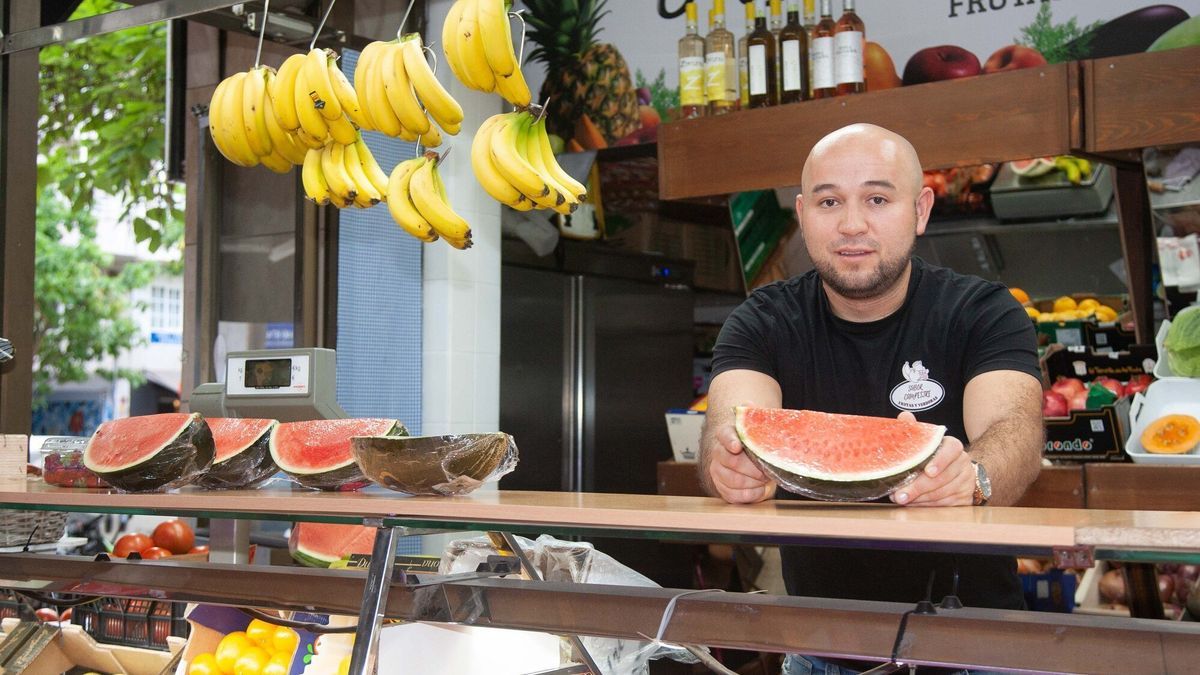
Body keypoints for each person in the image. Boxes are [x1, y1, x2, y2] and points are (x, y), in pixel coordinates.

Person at [699, 123, 1044, 675]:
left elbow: (1015, 431)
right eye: (829, 201)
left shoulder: (984, 311)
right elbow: (732, 423)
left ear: (920, 210)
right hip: (819, 651)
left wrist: (974, 476)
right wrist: (728, 465)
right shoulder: (761, 321)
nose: (852, 224)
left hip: (974, 648)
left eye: (877, 199)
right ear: (802, 215)